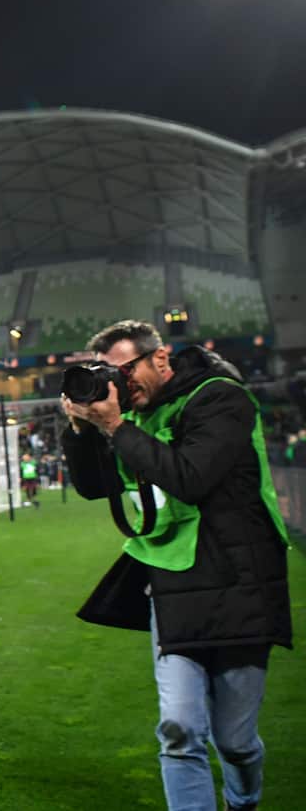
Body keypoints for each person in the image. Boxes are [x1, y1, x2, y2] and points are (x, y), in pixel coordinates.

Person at [61, 320, 292, 811]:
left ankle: (242, 799)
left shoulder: (221, 398)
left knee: (235, 741)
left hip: (241, 586)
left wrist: (116, 426)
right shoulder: (136, 416)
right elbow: (95, 486)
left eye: (124, 371)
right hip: (172, 588)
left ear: (160, 358)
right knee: (180, 729)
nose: (120, 384)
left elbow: (190, 476)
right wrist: (82, 430)